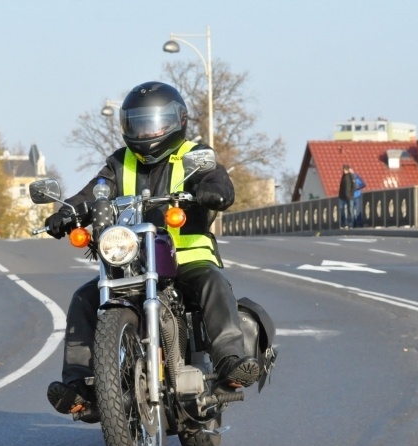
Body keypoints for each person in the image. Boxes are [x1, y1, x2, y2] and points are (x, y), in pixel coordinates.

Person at [44, 81, 258, 422]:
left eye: (154, 122)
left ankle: (230, 362)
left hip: (186, 259)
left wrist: (212, 192)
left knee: (212, 283)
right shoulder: (119, 163)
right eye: (139, 123)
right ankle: (81, 386)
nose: (147, 132)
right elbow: (92, 193)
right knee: (84, 299)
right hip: (132, 263)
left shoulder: (193, 154)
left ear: (178, 120)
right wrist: (66, 212)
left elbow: (217, 181)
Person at [338, 164, 356, 229]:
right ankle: (343, 224)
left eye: (345, 169)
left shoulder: (351, 176)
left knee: (350, 210)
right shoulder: (343, 176)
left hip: (349, 196)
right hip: (342, 196)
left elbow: (354, 186)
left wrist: (351, 194)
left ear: (347, 170)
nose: (344, 171)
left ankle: (350, 224)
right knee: (341, 209)